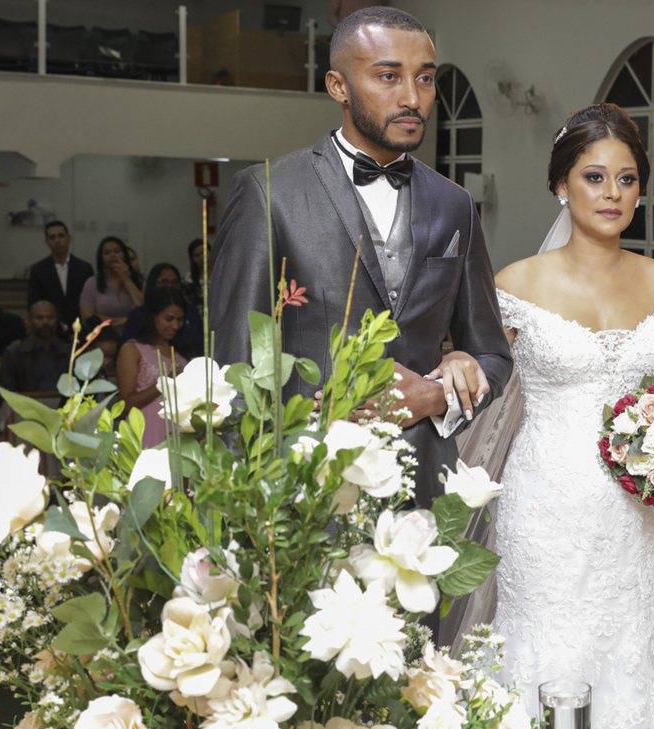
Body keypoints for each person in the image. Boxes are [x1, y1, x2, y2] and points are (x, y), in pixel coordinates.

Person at [208, 6, 512, 502]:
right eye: (388, 76)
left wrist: (435, 395)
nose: (413, 98)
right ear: (338, 86)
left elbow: (492, 354)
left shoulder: (454, 204)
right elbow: (231, 371)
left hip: (423, 492)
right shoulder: (269, 193)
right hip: (304, 493)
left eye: (426, 79)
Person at [492, 102, 654, 729]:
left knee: (634, 640)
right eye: (594, 177)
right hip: (546, 499)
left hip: (639, 502)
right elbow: (481, 379)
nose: (612, 193)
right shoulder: (516, 284)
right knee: (547, 644)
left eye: (626, 178)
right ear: (561, 184)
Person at [117, 287, 188, 449]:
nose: (175, 325)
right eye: (169, 319)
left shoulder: (181, 358)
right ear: (153, 316)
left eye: (180, 320)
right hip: (145, 428)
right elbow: (126, 404)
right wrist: (166, 382)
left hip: (177, 433)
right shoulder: (133, 350)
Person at [123, 263, 203, 359]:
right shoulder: (138, 314)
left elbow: (199, 348)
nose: (169, 286)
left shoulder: (190, 312)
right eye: (163, 282)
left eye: (174, 282)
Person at [26, 220, 93, 329]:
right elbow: (33, 304)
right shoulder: (37, 270)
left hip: (80, 330)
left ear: (69, 238)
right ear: (47, 241)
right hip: (49, 331)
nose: (57, 240)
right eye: (52, 237)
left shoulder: (84, 268)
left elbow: (90, 302)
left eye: (61, 236)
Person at [0, 301, 68, 397]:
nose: (45, 322)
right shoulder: (14, 354)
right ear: (30, 320)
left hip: (66, 408)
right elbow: (4, 394)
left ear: (57, 320)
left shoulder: (69, 352)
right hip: (26, 408)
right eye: (39, 318)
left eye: (50, 318)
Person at [80, 236, 144, 332]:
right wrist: (127, 320)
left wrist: (127, 280)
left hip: (134, 336)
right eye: (107, 253)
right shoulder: (92, 283)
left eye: (117, 251)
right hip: (102, 337)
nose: (112, 255)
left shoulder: (141, 280)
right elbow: (88, 319)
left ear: (125, 255)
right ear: (101, 258)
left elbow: (143, 310)